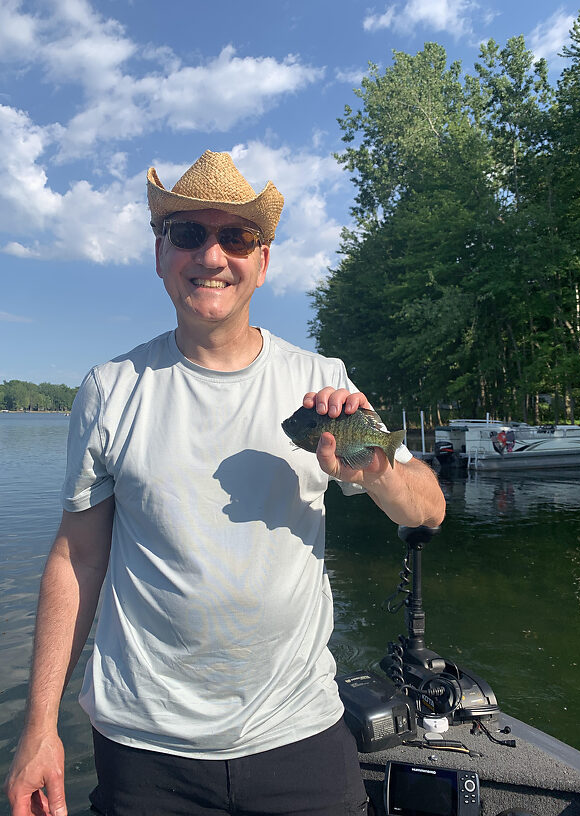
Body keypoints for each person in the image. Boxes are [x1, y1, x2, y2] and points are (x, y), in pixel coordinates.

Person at [4, 151, 445, 816]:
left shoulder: (322, 382)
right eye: (189, 234)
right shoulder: (109, 389)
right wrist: (39, 728)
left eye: (236, 237)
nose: (211, 256)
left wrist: (378, 471)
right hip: (145, 750)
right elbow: (78, 559)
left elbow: (430, 509)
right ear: (160, 255)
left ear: (262, 263)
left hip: (298, 733)